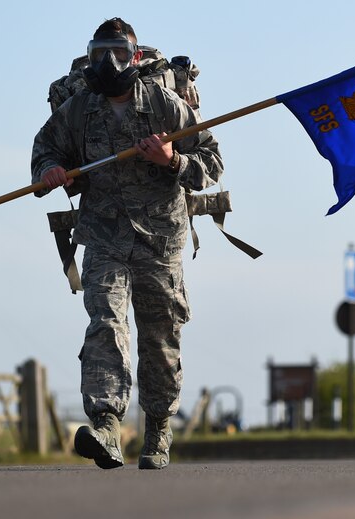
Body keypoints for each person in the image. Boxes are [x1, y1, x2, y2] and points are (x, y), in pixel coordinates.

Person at [31, 17, 223, 469]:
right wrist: (49, 173)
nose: (109, 63)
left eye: (119, 53)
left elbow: (211, 161)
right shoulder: (79, 108)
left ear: (136, 57)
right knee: (106, 323)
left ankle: (157, 428)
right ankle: (107, 425)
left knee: (160, 339)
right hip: (103, 237)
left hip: (161, 238)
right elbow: (45, 149)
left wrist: (172, 158)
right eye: (100, 53)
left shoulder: (164, 103)